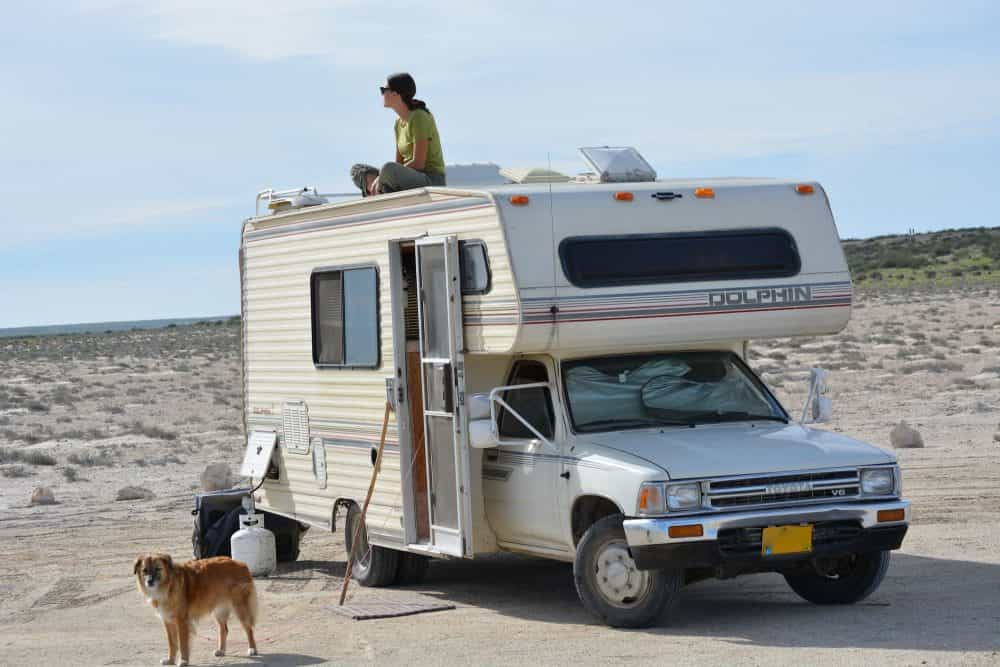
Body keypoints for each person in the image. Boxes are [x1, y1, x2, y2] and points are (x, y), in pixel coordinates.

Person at [350, 72, 447, 197]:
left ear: (396, 93)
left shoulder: (419, 117)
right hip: (408, 178)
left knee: (388, 168)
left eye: (384, 90)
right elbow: (399, 164)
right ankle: (380, 191)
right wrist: (384, 176)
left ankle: (380, 192)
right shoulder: (398, 123)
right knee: (357, 170)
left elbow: (419, 164)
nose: (382, 93)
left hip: (430, 179)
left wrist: (383, 176)